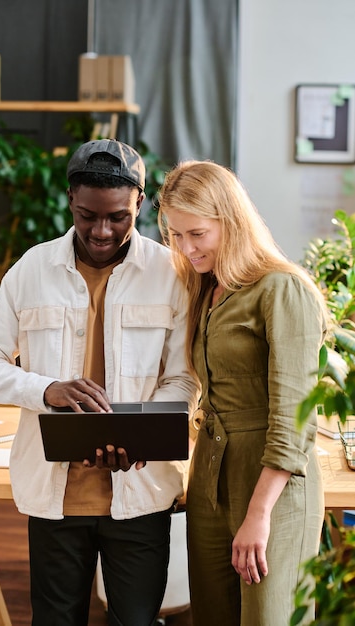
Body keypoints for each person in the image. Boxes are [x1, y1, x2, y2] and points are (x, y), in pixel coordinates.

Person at [0, 139, 198, 626]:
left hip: (142, 493)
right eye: (88, 214)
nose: (101, 230)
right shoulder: (32, 269)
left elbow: (182, 379)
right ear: (71, 199)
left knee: (135, 621)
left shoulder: (171, 273)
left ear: (139, 201)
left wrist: (138, 435)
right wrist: (46, 389)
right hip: (55, 500)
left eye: (117, 216)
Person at [157, 160, 328, 626]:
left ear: (230, 222)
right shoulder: (204, 289)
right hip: (209, 479)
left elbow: (295, 415)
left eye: (197, 234)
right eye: (175, 235)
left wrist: (258, 513)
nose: (186, 248)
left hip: (273, 487)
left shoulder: (282, 289)